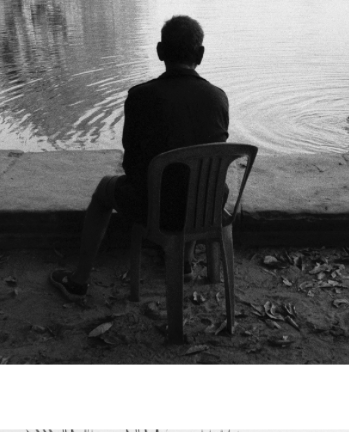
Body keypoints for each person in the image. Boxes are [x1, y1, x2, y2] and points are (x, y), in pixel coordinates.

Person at [49, 15, 230, 299]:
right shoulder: (218, 97)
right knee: (196, 179)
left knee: (102, 192)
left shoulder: (140, 97)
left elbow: (132, 162)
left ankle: (79, 280)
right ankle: (183, 263)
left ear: (160, 51)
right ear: (201, 55)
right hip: (207, 209)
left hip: (156, 210)